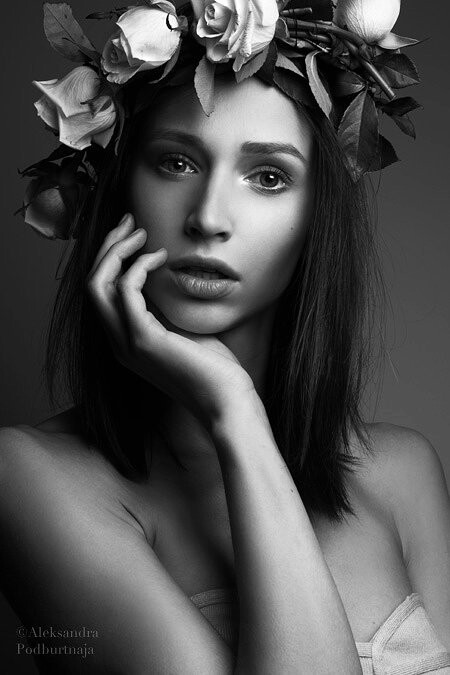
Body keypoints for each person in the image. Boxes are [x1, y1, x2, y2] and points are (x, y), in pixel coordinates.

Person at [1, 1, 449, 673]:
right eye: (176, 163)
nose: (209, 217)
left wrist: (236, 415)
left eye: (268, 177)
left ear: (315, 218)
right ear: (120, 186)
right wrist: (234, 411)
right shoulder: (29, 476)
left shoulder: (403, 473)